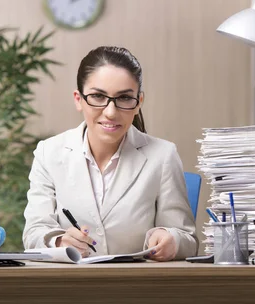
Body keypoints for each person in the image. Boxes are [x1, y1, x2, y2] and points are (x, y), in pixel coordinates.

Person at [23, 46, 198, 261]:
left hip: (138, 287)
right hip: (69, 287)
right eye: (98, 96)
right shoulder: (48, 152)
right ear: (78, 99)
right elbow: (34, 232)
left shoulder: (163, 155)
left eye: (124, 98)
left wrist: (172, 240)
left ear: (138, 102)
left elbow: (187, 240)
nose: (111, 112)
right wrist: (59, 242)